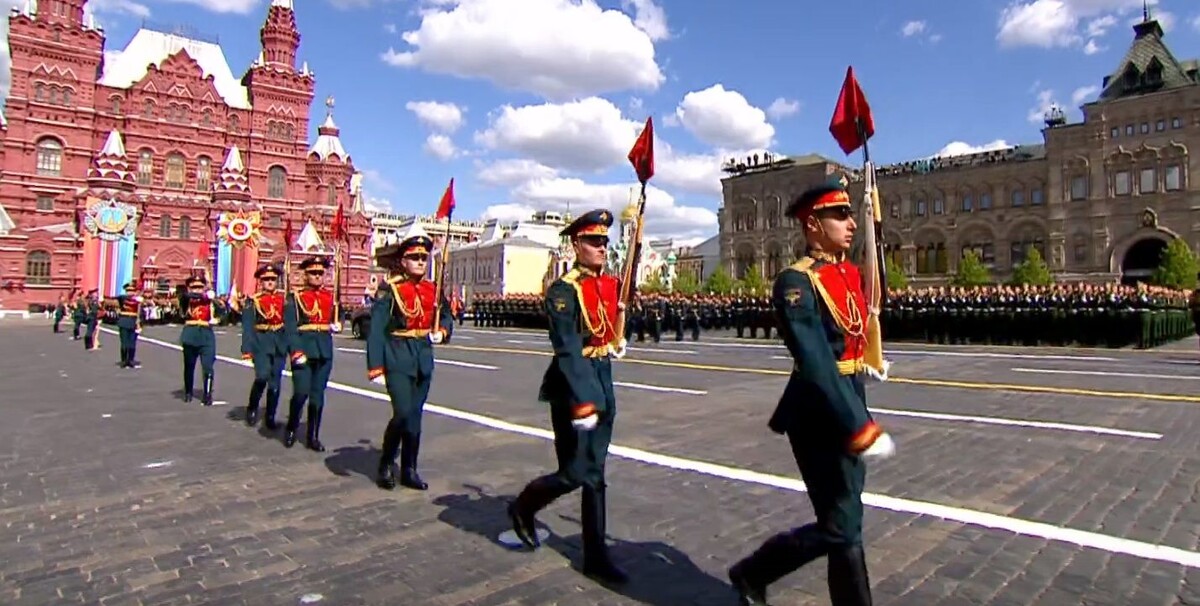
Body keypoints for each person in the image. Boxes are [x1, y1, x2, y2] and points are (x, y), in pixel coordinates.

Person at [727, 184, 896, 606]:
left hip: (851, 395)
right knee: (842, 524)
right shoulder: (795, 281)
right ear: (813, 225)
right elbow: (816, 359)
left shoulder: (847, 273)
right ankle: (753, 570)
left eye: (851, 214)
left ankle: (753, 572)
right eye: (841, 215)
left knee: (845, 521)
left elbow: (874, 300)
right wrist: (859, 426)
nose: (851, 222)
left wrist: (875, 228)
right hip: (818, 411)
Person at [507, 208, 629, 585]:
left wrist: (618, 338)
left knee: (596, 475)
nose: (601, 248)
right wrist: (582, 398)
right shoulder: (563, 290)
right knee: (577, 471)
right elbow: (567, 347)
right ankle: (525, 504)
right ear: (576, 244)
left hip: (603, 378)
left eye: (605, 242)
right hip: (571, 385)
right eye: (594, 241)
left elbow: (607, 326)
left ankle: (595, 556)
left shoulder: (608, 284)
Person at [366, 231, 454, 491]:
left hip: (423, 357)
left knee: (415, 418)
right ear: (403, 261)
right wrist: (375, 367)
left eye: (424, 258)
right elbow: (377, 330)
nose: (420, 262)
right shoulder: (390, 290)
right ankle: (385, 462)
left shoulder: (432, 289)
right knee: (403, 414)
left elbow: (446, 315)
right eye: (414, 257)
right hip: (397, 356)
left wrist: (443, 331)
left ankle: (409, 469)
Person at [283, 255, 339, 450]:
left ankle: (312, 436)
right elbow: (290, 328)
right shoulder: (295, 298)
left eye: (320, 273)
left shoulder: (329, 297)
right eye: (313, 273)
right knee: (300, 392)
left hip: (323, 351)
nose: (317, 276)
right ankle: (291, 428)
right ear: (305, 275)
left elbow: (327, 320)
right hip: (304, 350)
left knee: (318, 396)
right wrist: (296, 351)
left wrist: (334, 324)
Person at [241, 263, 288, 428]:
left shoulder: (284, 300)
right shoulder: (253, 301)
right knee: (261, 377)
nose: (269, 282)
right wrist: (247, 350)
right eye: (266, 279)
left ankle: (270, 417)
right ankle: (252, 407)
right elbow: (247, 327)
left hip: (279, 344)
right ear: (261, 281)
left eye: (273, 279)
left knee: (275, 382)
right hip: (261, 343)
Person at [180, 274, 220, 405]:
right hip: (190, 334)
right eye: (194, 287)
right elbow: (186, 298)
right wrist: (204, 295)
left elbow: (223, 310)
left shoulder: (209, 300)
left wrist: (215, 301)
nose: (197, 290)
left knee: (208, 366)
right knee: (189, 366)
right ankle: (188, 392)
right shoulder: (186, 298)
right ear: (189, 288)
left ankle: (207, 394)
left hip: (206, 335)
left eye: (200, 287)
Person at [115, 282, 143, 368]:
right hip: (124, 321)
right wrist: (118, 310)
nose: (130, 293)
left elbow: (138, 312)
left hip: (133, 322)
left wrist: (138, 323)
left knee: (132, 343)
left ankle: (130, 360)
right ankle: (124, 361)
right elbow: (115, 302)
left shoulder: (137, 301)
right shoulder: (122, 298)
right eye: (128, 291)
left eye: (132, 291)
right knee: (124, 343)